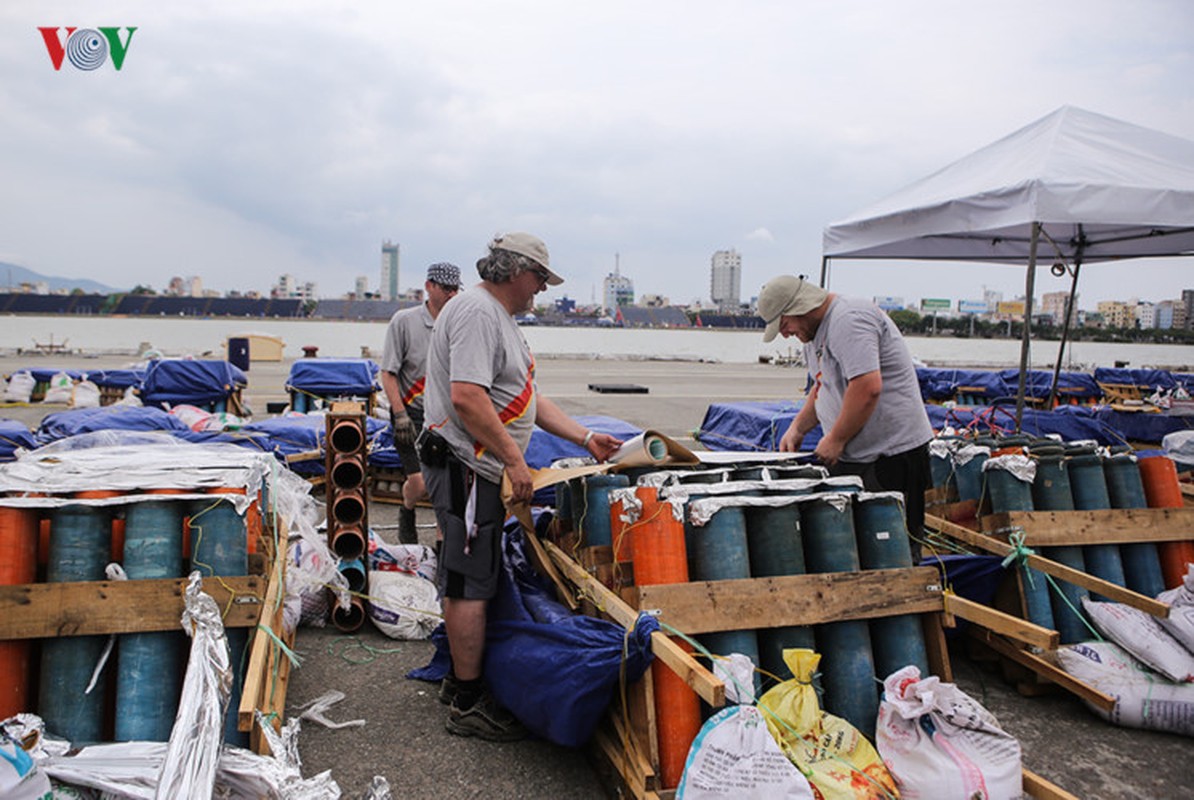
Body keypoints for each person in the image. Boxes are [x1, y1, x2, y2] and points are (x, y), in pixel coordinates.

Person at [421, 232, 623, 741]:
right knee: (470, 582)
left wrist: (584, 436)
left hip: (477, 467)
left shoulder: (499, 319)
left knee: (469, 575)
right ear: (514, 271)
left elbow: (527, 398)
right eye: (539, 278)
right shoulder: (475, 313)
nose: (542, 290)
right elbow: (467, 398)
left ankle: (456, 681)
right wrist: (515, 462)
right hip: (468, 466)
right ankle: (468, 702)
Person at [758, 274, 932, 557]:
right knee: (858, 549)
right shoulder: (813, 336)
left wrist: (837, 438)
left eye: (784, 324)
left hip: (892, 455)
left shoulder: (848, 319)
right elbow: (822, 386)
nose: (785, 333)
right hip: (858, 456)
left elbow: (867, 386)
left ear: (799, 307)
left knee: (892, 549)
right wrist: (798, 428)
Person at [380, 262, 461, 543]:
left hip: (445, 415)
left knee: (444, 487)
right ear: (429, 287)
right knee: (420, 482)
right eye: (446, 289)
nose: (452, 295)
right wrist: (399, 414)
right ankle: (407, 509)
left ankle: (442, 549)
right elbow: (388, 373)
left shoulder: (458, 323)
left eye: (456, 290)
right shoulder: (404, 322)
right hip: (410, 414)